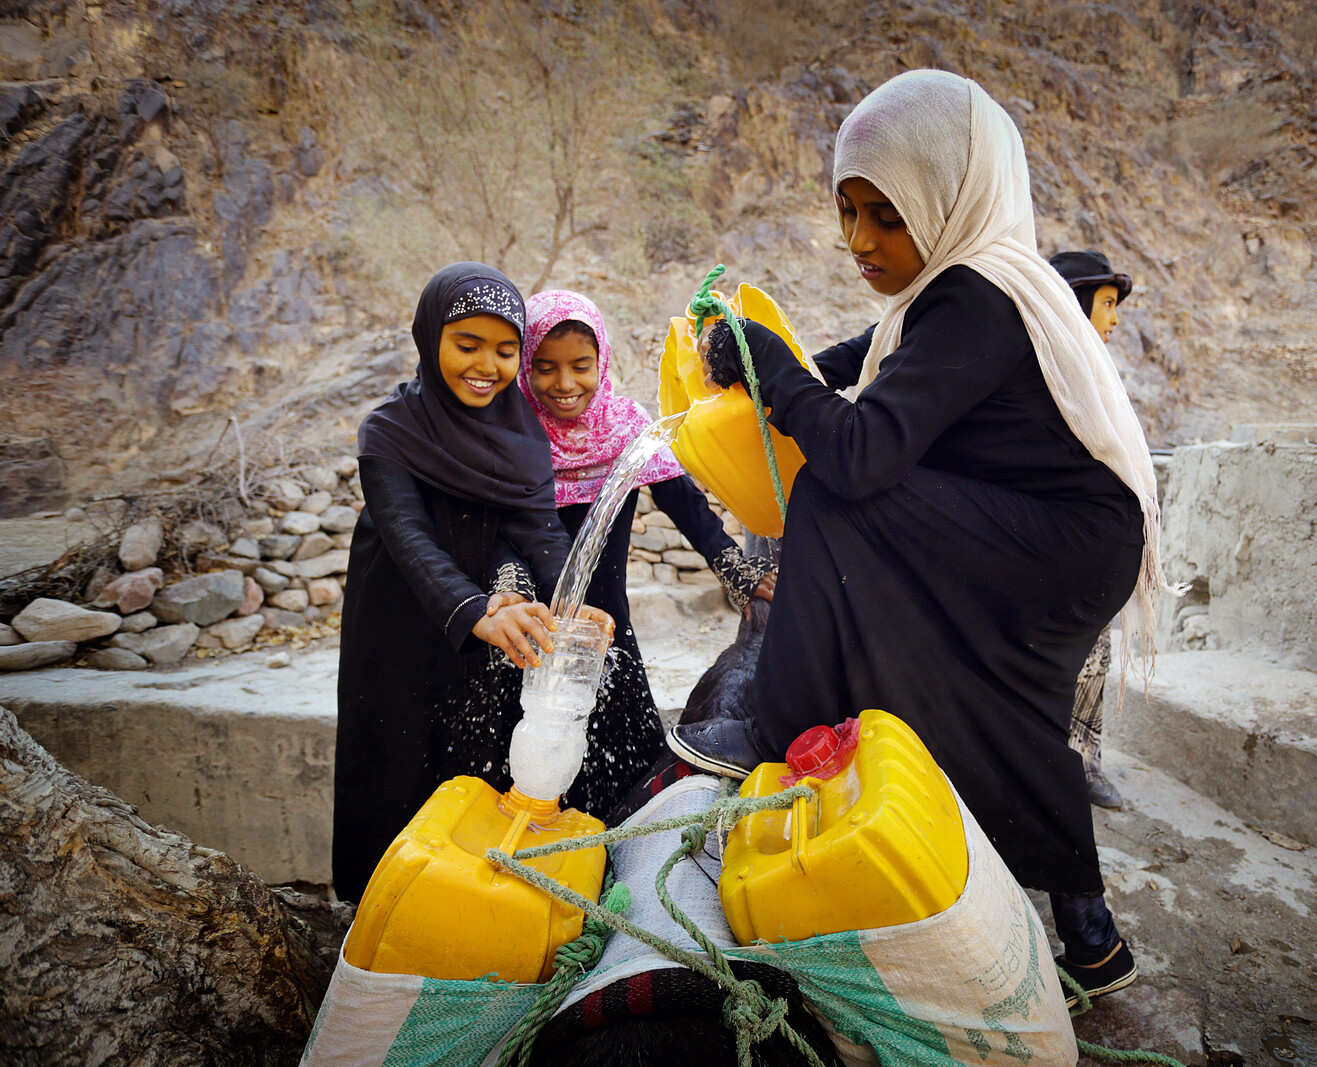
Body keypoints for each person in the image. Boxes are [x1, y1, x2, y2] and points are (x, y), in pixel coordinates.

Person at [665, 70, 1177, 1005]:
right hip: (1061, 535)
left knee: (834, 498)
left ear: (947, 199)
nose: (859, 240)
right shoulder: (953, 291)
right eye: (847, 210)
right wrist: (757, 367)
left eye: (885, 216)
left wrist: (776, 372)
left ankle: (781, 725)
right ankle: (1091, 935)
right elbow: (859, 363)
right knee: (1001, 708)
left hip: (1058, 540)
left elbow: (860, 452)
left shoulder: (976, 297)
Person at [332, 263, 612, 903]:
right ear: (430, 339)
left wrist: (576, 600)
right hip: (401, 620)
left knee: (476, 758)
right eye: (467, 345)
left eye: (506, 350)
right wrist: (472, 607)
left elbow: (539, 528)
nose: (487, 364)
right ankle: (374, 909)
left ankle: (467, 907)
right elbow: (407, 535)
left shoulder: (519, 434)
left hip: (491, 623)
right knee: (394, 761)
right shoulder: (390, 430)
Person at [518, 289, 776, 820]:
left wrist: (737, 569)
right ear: (525, 367)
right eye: (545, 368)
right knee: (529, 771)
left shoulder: (624, 427)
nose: (565, 384)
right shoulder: (512, 436)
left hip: (606, 634)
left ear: (602, 361)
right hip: (530, 635)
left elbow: (688, 507)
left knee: (625, 771)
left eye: (581, 366)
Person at [1049, 249, 1136, 810]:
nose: (1115, 318)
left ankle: (1081, 762)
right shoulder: (1040, 368)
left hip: (1081, 547)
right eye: (1106, 303)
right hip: (1039, 540)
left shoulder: (1097, 373)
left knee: (1094, 653)